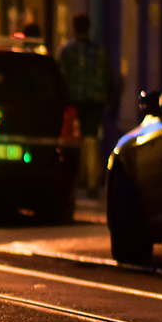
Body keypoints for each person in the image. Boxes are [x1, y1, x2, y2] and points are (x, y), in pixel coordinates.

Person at [58, 14, 112, 198]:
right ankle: (91, 181)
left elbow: (61, 77)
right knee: (91, 138)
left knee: (74, 139)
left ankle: (78, 177)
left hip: (74, 100)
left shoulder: (68, 52)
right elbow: (107, 77)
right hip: (94, 101)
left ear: (74, 28)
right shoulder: (98, 52)